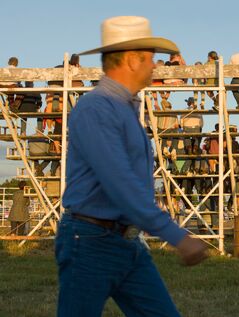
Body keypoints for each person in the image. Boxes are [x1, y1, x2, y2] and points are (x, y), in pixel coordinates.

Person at [55, 16, 207, 317]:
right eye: (150, 59)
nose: (155, 66)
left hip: (122, 240)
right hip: (89, 241)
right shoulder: (97, 108)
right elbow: (120, 183)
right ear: (132, 61)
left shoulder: (122, 108)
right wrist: (176, 236)